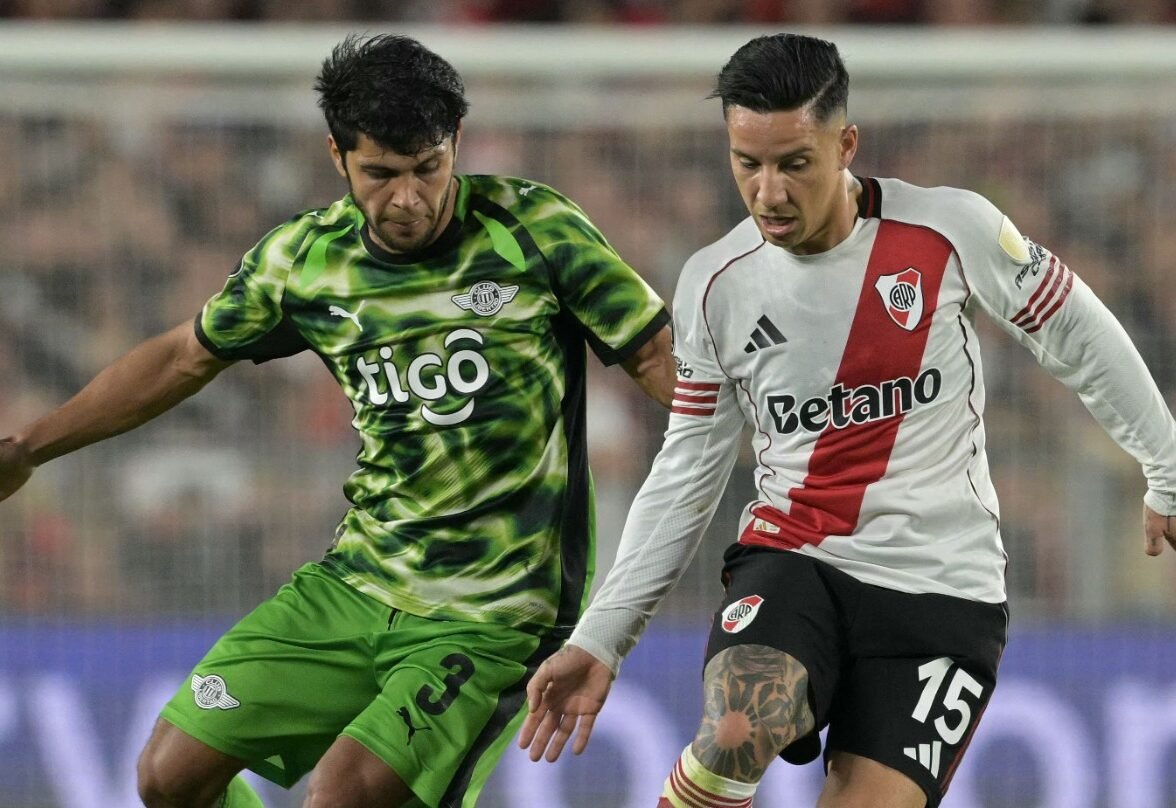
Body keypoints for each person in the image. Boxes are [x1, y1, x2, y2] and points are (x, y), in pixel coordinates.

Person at [0, 33, 675, 808]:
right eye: (381, 174)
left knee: (342, 795)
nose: (409, 198)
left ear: (455, 143)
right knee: (168, 775)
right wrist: (29, 448)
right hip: (357, 582)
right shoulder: (305, 261)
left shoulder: (536, 231)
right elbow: (182, 358)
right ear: (338, 155)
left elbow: (657, 361)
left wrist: (774, 445)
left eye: (428, 167)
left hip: (495, 612)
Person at [518, 32, 1176, 808]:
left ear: (845, 145)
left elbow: (1076, 331)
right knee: (737, 724)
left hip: (946, 593)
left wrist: (1165, 463)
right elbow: (685, 471)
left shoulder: (949, 230)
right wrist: (603, 634)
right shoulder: (715, 286)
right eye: (747, 164)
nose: (768, 192)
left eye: (794, 162)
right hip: (797, 560)